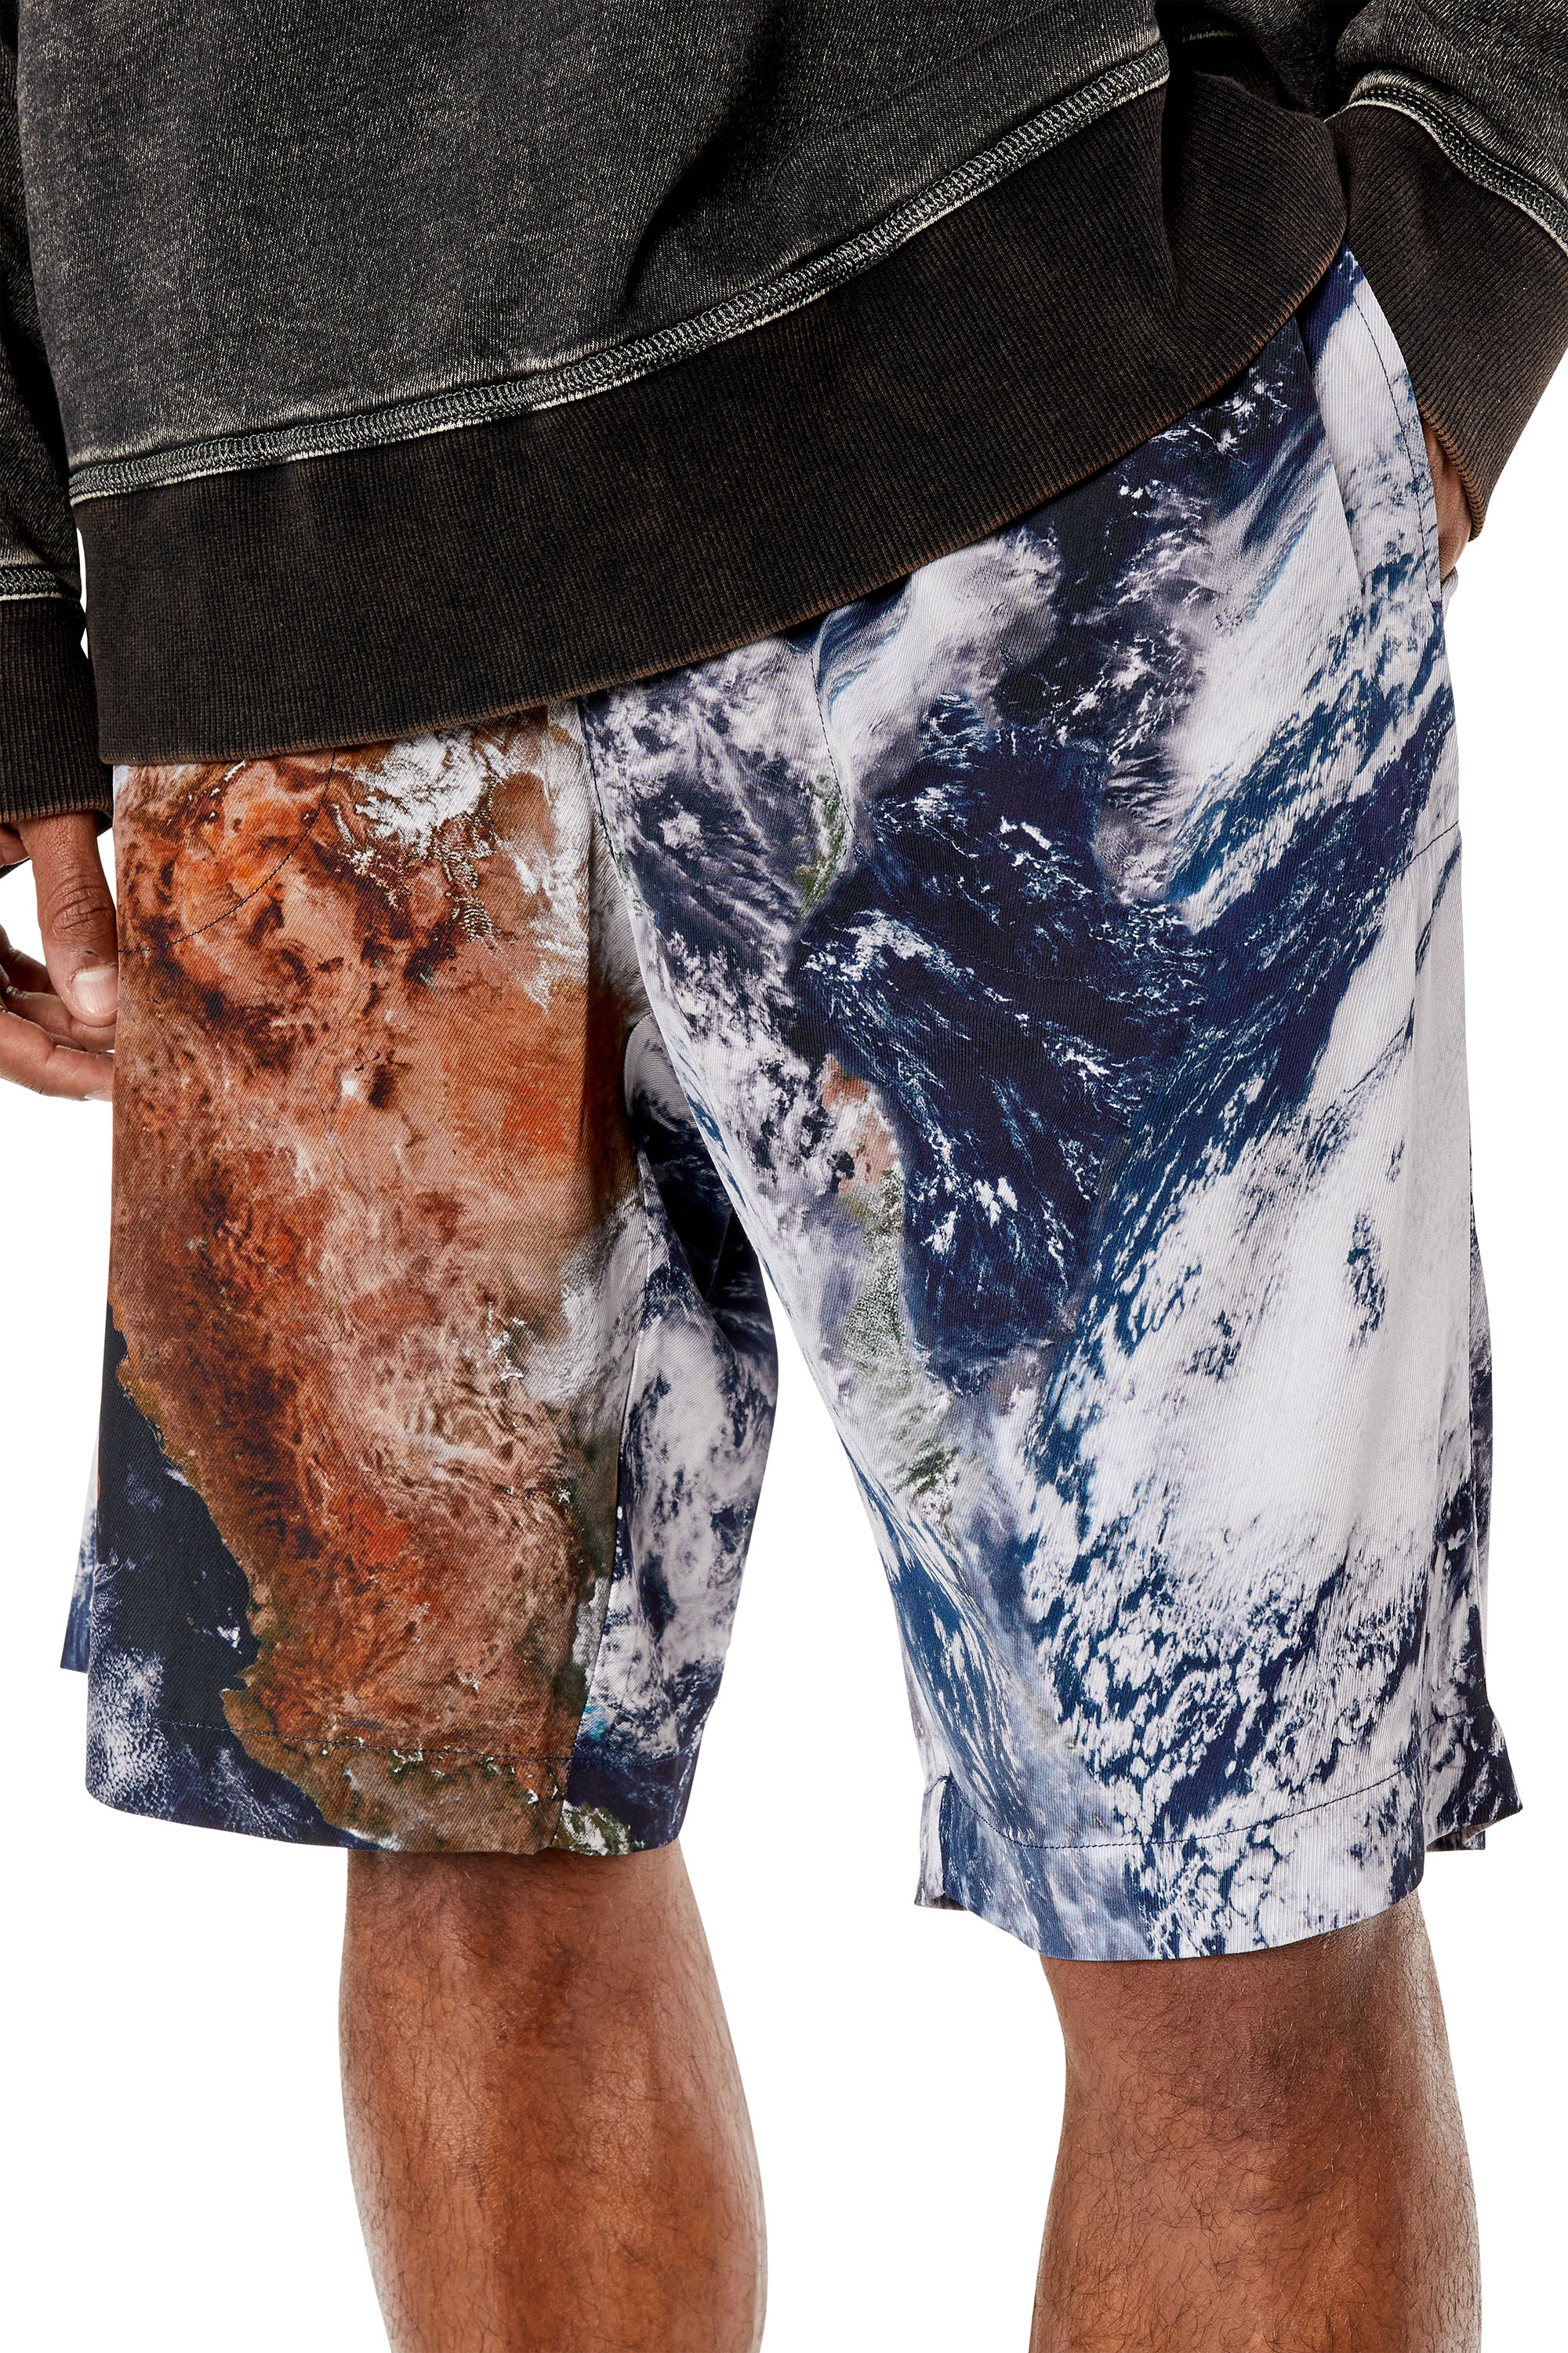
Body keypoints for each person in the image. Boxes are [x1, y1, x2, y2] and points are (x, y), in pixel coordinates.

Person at [2, 5, 1563, 2347]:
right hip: (280, 540)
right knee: (461, 1847)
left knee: (1233, 1902)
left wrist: (1468, 201)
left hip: (1022, 375)